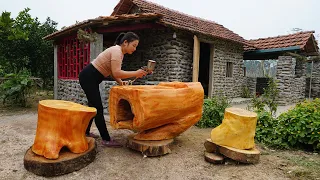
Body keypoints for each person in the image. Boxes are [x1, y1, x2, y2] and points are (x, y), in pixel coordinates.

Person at [79, 32, 147, 147]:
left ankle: (85, 132)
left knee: (92, 107)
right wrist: (136, 73)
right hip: (88, 77)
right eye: (134, 45)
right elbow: (116, 72)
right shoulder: (117, 51)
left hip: (90, 77)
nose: (135, 49)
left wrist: (120, 82)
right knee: (97, 108)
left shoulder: (119, 52)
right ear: (125, 43)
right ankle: (106, 139)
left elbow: (112, 72)